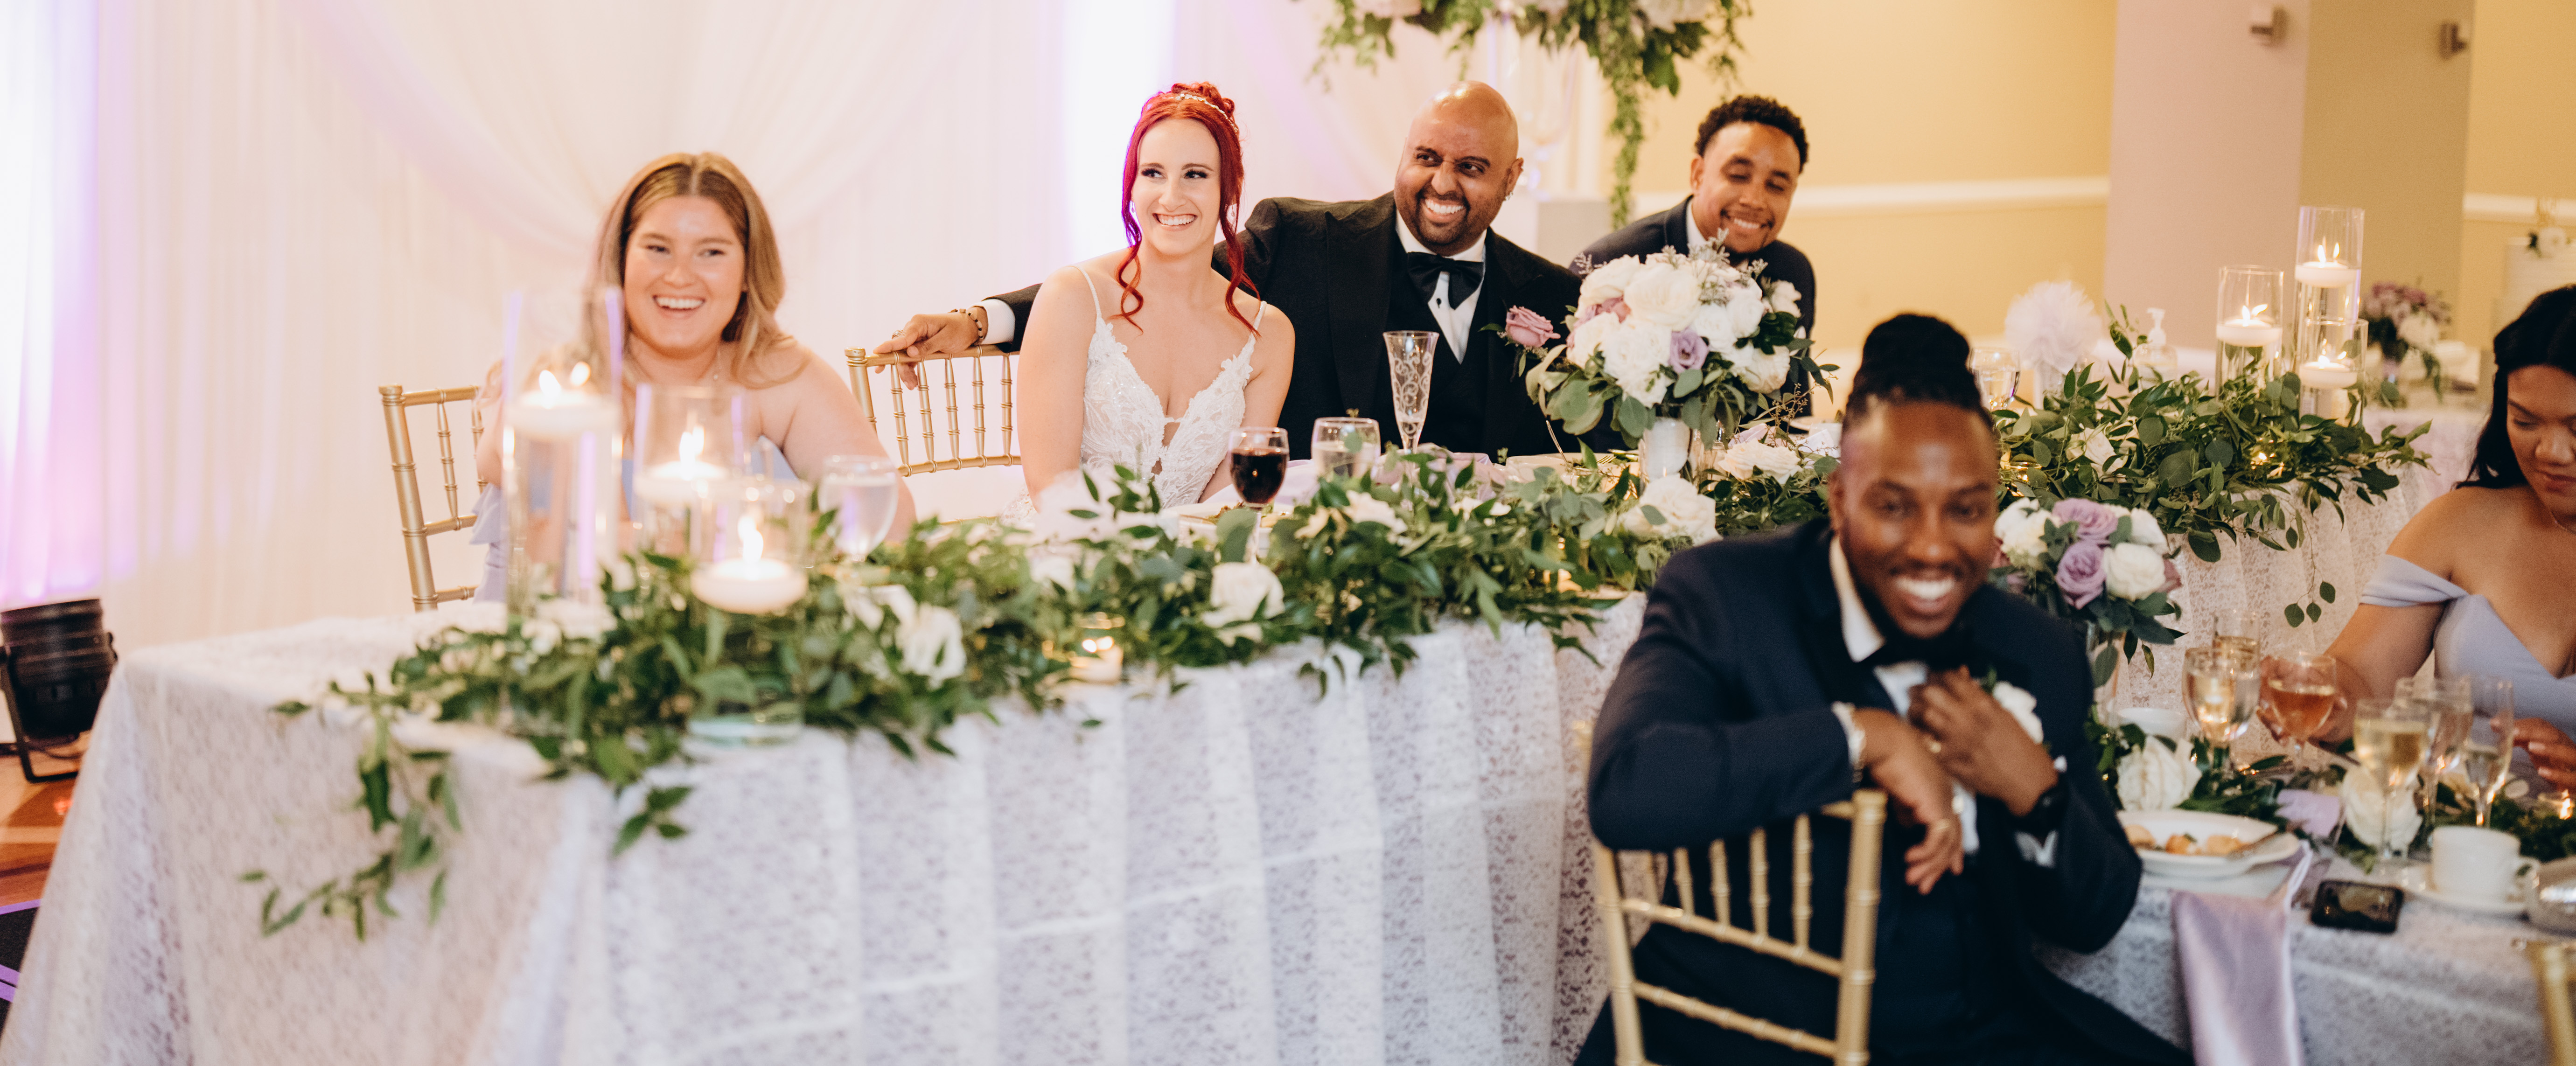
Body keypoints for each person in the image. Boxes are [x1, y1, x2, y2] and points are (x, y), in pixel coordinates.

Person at [1580, 314, 2180, 1066]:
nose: (1931, 547)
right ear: (1839, 501)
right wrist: (1865, 736)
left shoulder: (2034, 647)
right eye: (1893, 506)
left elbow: (2095, 917)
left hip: (1979, 1031)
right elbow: (1627, 787)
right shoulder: (1728, 597)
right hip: (1756, 1037)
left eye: (1965, 509)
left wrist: (2034, 790)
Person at [880, 82, 1585, 460]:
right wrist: (980, 321)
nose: (1442, 182)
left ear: (1512, 176)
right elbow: (1148, 278)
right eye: (1426, 158)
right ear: (1402, 154)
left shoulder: (1557, 297)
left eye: (1471, 167)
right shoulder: (1304, 239)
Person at [468, 151, 910, 599]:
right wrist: (769, 529)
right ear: (622, 260)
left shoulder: (778, 372)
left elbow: (890, 525)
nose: (679, 277)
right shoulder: (561, 385)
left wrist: (702, 539)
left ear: (747, 272)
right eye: (658, 249)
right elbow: (608, 558)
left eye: (711, 253)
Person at [2320, 283, 2576, 793]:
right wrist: (2314, 694)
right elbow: (2360, 681)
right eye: (2524, 421)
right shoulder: (2460, 523)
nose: (2551, 451)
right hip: (2452, 827)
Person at [1015, 83, 1295, 507]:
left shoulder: (1268, 335)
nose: (1171, 197)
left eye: (1195, 175)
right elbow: (1051, 487)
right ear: (1131, 185)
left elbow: (1229, 503)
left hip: (1197, 548)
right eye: (1153, 173)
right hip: (1066, 538)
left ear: (1230, 188)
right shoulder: (1073, 296)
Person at [1572, 94, 1816, 336]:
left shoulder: (1793, 272)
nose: (1754, 200)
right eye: (1738, 176)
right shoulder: (1607, 270)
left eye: (1776, 186)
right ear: (1698, 175)